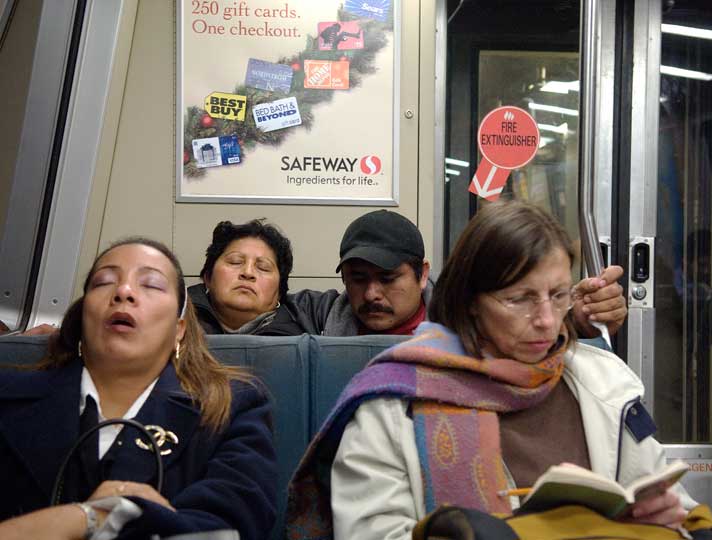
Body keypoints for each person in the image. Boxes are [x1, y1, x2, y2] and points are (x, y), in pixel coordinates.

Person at [286, 200, 712, 540]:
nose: (548, 322)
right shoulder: (394, 403)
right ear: (470, 304)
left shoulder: (604, 384)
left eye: (557, 295)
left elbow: (673, 502)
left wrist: (674, 520)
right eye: (519, 299)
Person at [0, 238, 276, 540]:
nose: (124, 292)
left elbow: (234, 524)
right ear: (82, 316)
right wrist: (91, 516)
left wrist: (94, 518)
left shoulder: (232, 406)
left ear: (178, 330)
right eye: (104, 282)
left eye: (151, 285)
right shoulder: (9, 397)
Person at [287, 208, 628, 338]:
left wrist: (579, 321)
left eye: (389, 279)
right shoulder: (316, 316)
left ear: (422, 275)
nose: (373, 294)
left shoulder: (466, 316)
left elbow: (525, 327)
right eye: (358, 279)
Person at [190, 219, 313, 336]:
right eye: (235, 262)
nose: (248, 273)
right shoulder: (176, 322)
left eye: (263, 267)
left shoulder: (301, 337)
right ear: (208, 277)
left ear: (279, 292)